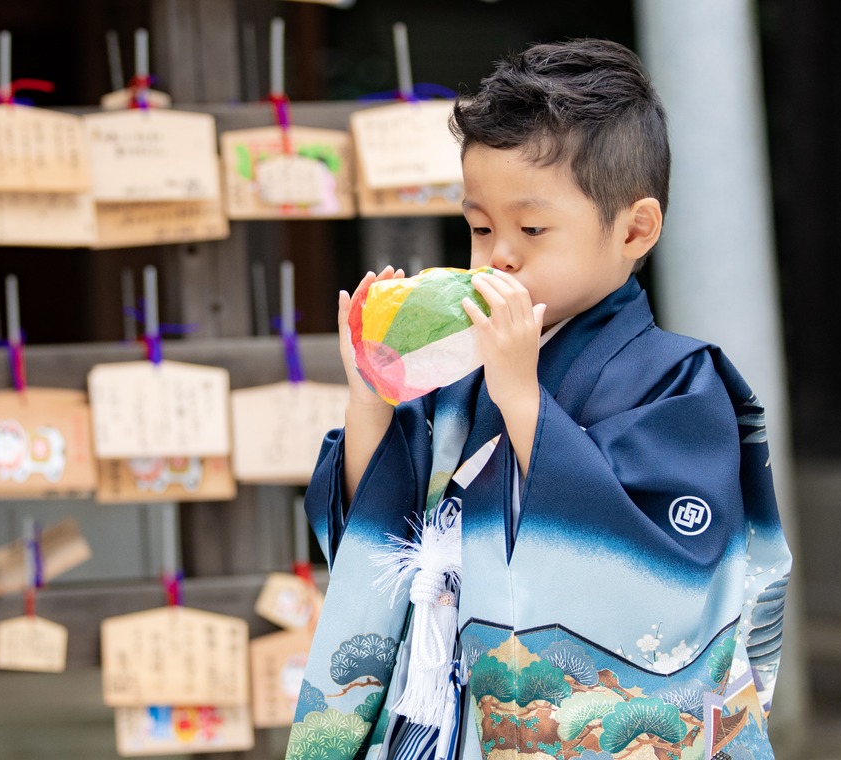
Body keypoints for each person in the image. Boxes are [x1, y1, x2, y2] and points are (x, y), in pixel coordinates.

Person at [286, 39, 791, 760]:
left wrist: (523, 400)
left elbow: (664, 586)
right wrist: (372, 401)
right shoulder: (460, 374)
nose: (499, 256)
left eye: (530, 229)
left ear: (634, 229)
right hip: (438, 721)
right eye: (481, 227)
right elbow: (381, 541)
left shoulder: (679, 383)